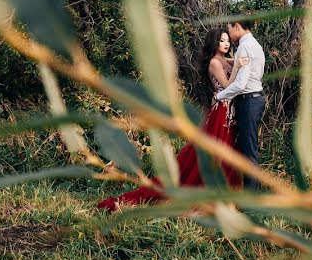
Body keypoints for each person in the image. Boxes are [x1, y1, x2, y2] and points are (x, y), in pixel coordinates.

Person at [97, 28, 249, 210]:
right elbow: (226, 85)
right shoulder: (215, 63)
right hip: (221, 111)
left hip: (229, 111)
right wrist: (238, 66)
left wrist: (241, 56)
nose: (226, 44)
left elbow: (237, 58)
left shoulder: (224, 59)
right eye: (222, 41)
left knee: (227, 149)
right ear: (214, 43)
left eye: (227, 41)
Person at [216, 17, 266, 189]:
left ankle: (252, 199)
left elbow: (240, 84)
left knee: (248, 150)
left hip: (249, 100)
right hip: (254, 99)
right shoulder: (254, 44)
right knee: (248, 147)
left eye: (229, 29)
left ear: (237, 27)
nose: (229, 34)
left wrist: (219, 96)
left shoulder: (244, 46)